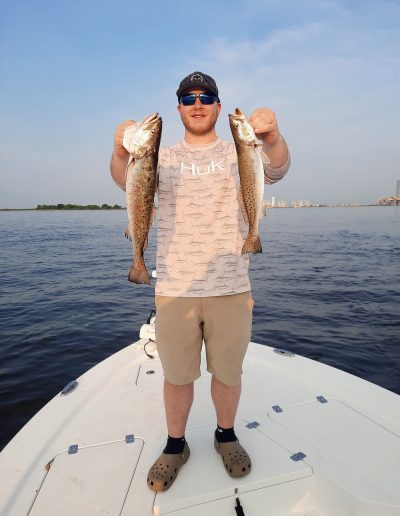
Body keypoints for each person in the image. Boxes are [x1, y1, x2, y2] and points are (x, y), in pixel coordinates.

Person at [110, 71, 290, 492]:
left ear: (218, 107)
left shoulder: (239, 150)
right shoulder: (162, 156)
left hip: (232, 285)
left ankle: (226, 436)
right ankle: (176, 444)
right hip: (174, 289)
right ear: (178, 108)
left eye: (206, 97)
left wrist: (274, 137)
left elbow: (278, 168)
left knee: (228, 373)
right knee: (177, 377)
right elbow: (124, 179)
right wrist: (120, 151)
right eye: (189, 98)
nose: (197, 104)